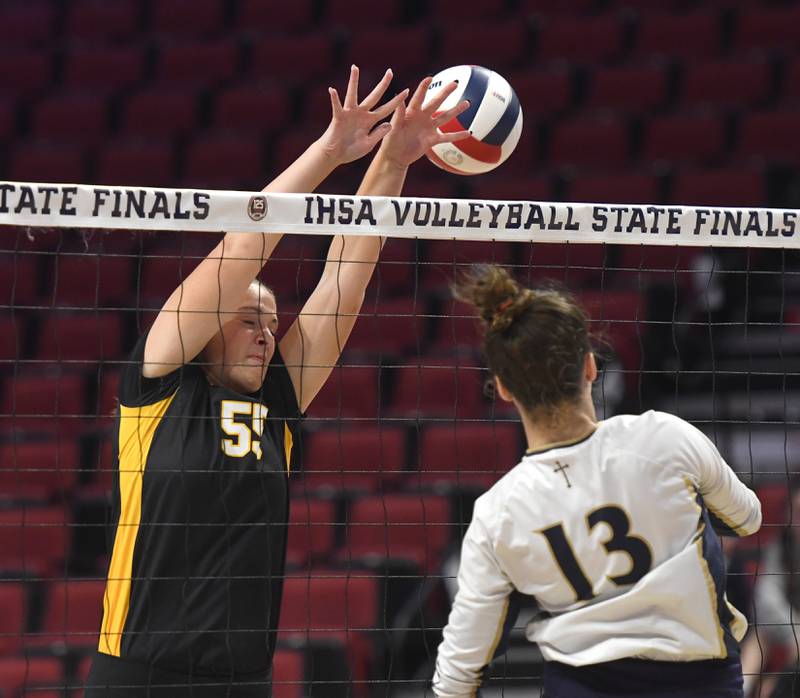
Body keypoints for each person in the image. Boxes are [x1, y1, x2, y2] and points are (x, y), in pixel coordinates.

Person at [85, 66, 470, 697]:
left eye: (272, 322)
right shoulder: (160, 382)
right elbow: (242, 250)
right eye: (248, 320)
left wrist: (394, 160)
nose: (267, 332)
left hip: (243, 680)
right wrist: (328, 153)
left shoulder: (278, 403)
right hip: (138, 675)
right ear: (208, 328)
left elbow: (345, 275)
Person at [431, 265, 763, 698]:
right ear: (590, 365)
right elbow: (747, 519)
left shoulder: (498, 513)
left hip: (580, 686)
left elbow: (458, 675)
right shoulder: (663, 437)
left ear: (504, 389)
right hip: (700, 682)